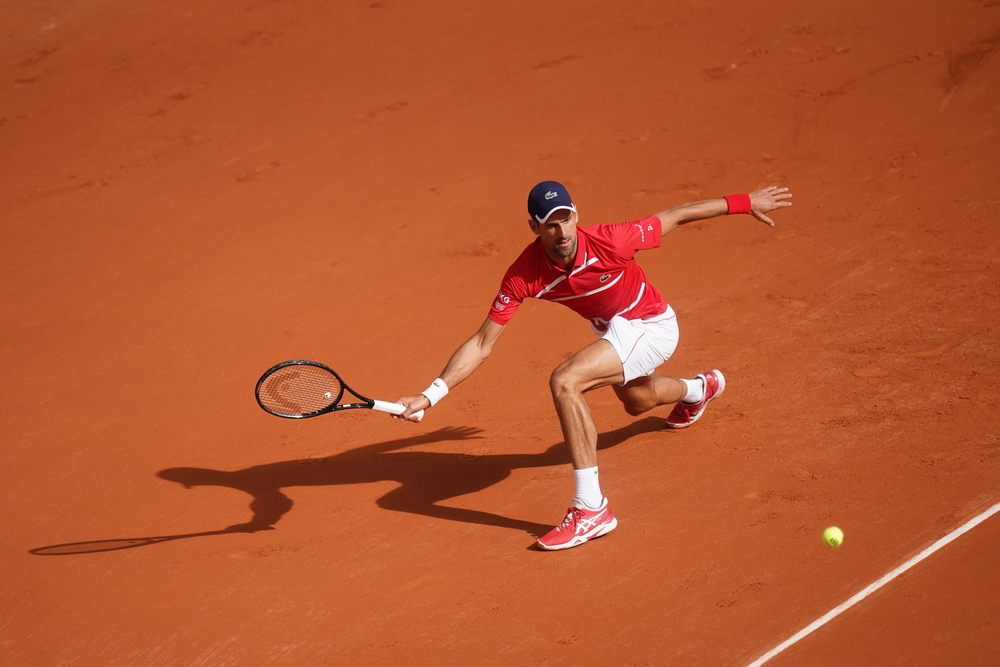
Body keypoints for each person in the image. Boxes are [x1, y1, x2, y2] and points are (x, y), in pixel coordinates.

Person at [396, 181, 792, 550]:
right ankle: (698, 389)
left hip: (650, 325)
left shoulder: (611, 240)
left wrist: (745, 203)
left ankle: (591, 508)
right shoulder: (523, 274)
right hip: (615, 332)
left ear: (576, 216)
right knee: (638, 400)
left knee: (566, 381)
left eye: (566, 219)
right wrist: (431, 395)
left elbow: (675, 215)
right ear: (535, 228)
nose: (562, 233)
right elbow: (483, 342)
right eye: (550, 225)